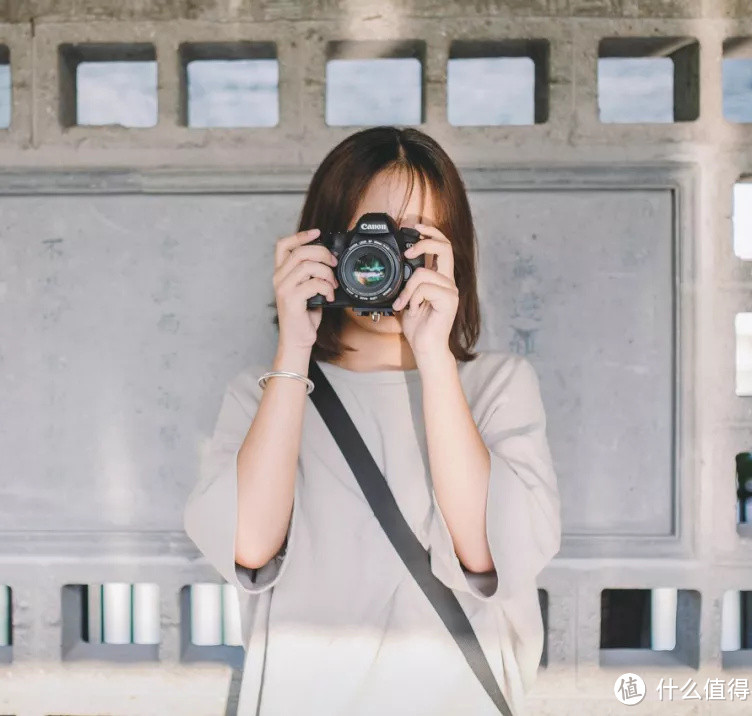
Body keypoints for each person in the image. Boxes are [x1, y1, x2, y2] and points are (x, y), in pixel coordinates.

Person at [182, 126, 562, 715]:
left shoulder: (497, 386)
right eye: (364, 237)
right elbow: (249, 547)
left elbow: (489, 552)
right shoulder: (264, 395)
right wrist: (293, 348)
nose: (382, 259)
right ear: (322, 243)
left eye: (410, 240)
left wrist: (434, 356)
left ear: (449, 250)